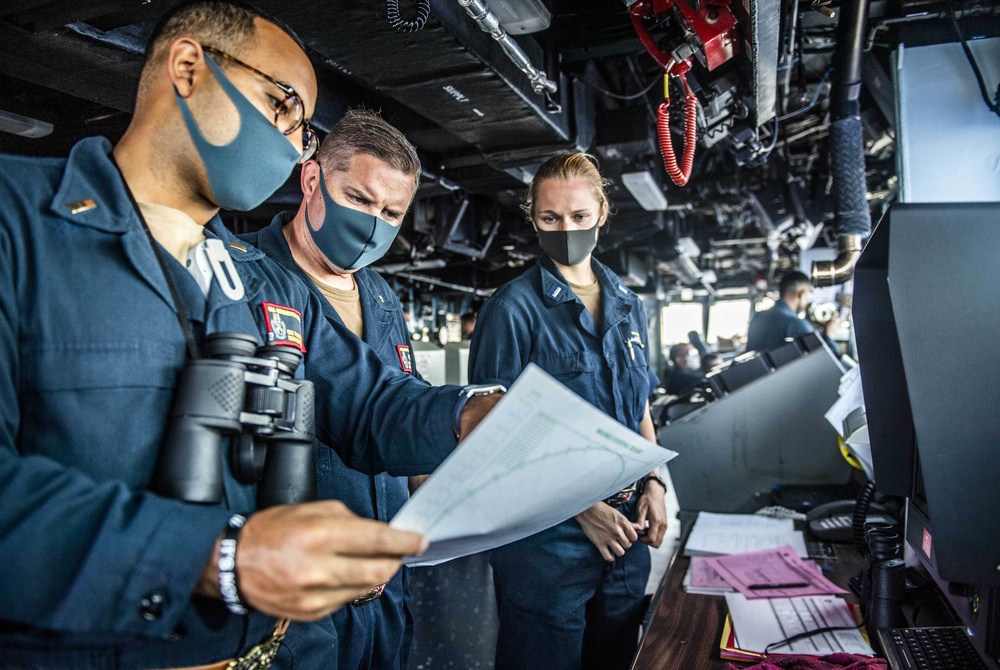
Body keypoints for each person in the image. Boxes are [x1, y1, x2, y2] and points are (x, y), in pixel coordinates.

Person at [0, 3, 500, 668]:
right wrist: (213, 557)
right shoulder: (19, 221)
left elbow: (368, 399)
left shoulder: (252, 278)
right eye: (281, 105)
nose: (294, 144)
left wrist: (474, 414)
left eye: (303, 131)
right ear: (187, 68)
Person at [239, 108, 423, 670]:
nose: (374, 224)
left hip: (385, 579)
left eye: (392, 212)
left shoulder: (383, 296)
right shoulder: (244, 275)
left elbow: (400, 402)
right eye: (361, 199)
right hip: (294, 591)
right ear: (312, 179)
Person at [468, 152, 668, 670]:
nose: (566, 230)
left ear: (602, 212)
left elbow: (638, 401)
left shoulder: (627, 303)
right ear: (532, 217)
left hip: (627, 532)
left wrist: (656, 483)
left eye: (579, 217)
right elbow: (493, 436)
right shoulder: (511, 310)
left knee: (618, 657)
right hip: (547, 542)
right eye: (550, 218)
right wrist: (582, 507)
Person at [745, 270, 840, 353]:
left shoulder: (758, 317)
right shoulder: (796, 324)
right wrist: (829, 335)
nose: (806, 304)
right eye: (806, 298)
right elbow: (827, 359)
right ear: (802, 294)